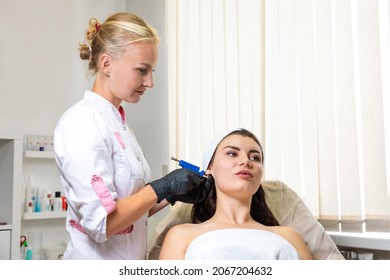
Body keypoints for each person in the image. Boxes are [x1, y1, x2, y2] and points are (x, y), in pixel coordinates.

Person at [54, 12, 210, 260]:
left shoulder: (118, 124)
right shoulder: (83, 123)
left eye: (152, 71)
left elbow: (130, 216)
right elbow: (102, 223)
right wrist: (162, 186)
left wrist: (172, 194)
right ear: (106, 64)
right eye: (142, 70)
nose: (150, 82)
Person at [159, 128, 313, 260]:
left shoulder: (290, 237)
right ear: (209, 168)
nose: (246, 161)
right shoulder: (181, 236)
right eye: (232, 154)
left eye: (255, 157)